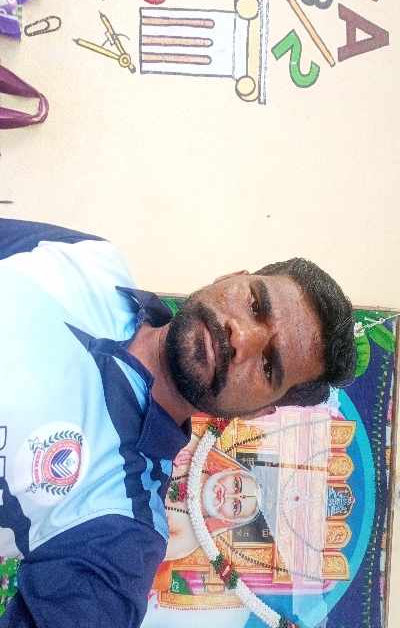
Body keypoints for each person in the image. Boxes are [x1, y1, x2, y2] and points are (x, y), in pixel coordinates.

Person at [0, 219, 355, 628]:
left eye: (268, 365)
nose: (241, 336)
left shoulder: (121, 527)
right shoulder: (92, 259)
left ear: (259, 412)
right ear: (231, 277)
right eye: (256, 303)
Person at [165, 433, 262, 561]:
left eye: (235, 506)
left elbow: (143, 551)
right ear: (228, 471)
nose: (228, 495)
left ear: (227, 520)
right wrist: (165, 456)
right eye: (236, 485)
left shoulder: (188, 540)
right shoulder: (195, 450)